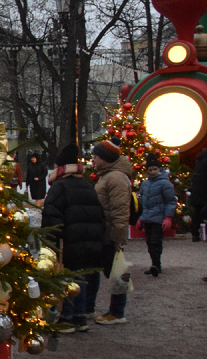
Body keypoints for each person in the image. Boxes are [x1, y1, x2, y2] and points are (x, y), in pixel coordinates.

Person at [41, 144, 106, 331]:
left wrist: (50, 243)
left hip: (68, 241)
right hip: (88, 240)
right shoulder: (87, 185)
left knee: (66, 278)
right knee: (80, 276)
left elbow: (52, 218)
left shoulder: (59, 187)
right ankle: (80, 316)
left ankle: (67, 316)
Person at [84, 138, 130, 325]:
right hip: (102, 233)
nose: (93, 159)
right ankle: (89, 307)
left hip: (109, 235)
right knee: (93, 270)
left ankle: (117, 312)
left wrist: (118, 239)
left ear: (106, 158)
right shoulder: (108, 175)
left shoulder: (116, 178)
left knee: (116, 273)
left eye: (96, 156)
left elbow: (120, 212)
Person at [137, 152, 177, 276]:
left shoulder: (165, 183)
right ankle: (155, 264)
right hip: (148, 217)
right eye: (151, 170)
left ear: (159, 169)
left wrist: (168, 218)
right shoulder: (145, 183)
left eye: (155, 169)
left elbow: (170, 201)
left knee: (155, 241)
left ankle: (156, 265)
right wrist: (140, 217)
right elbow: (142, 201)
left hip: (158, 218)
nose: (153, 172)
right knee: (149, 242)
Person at [189, 151, 207, 242]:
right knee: (203, 212)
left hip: (197, 192)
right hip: (204, 192)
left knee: (196, 213)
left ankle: (195, 234)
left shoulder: (199, 161)